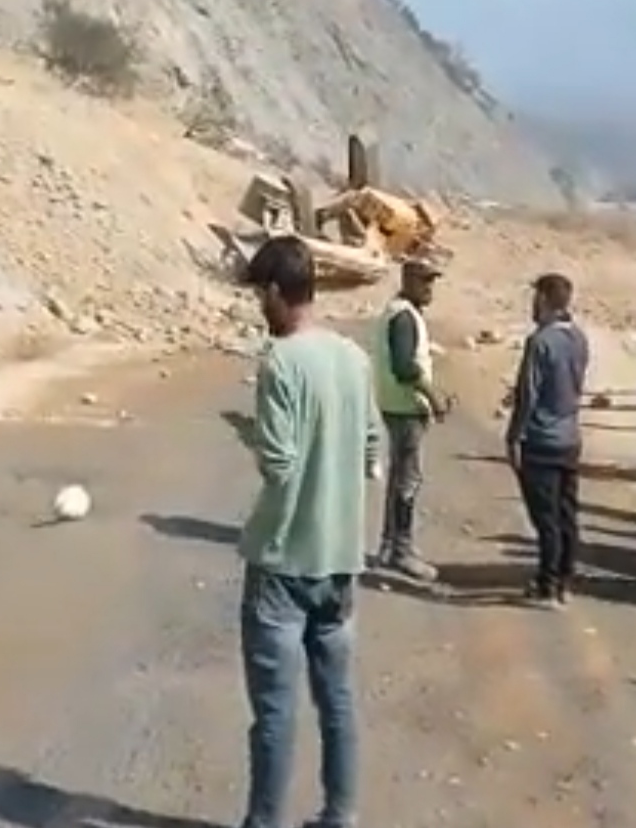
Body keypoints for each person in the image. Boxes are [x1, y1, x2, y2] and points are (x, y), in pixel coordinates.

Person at [237, 234, 379, 828]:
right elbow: (372, 449)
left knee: (275, 712)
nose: (259, 308)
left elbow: (279, 465)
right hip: (341, 560)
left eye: (260, 296)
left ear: (276, 291)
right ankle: (339, 815)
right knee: (337, 701)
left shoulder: (280, 362)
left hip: (282, 562)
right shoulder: (354, 358)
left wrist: (250, 434)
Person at [505, 273, 589, 608]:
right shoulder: (579, 338)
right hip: (570, 437)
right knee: (567, 513)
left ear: (543, 299)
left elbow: (528, 394)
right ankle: (565, 579)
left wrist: (514, 436)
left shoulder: (539, 341)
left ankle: (548, 584)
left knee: (545, 517)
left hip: (541, 439)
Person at [372, 257, 450, 582]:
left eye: (432, 281)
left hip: (397, 406)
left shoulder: (400, 312)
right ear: (407, 280)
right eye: (424, 281)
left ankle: (390, 545)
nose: (430, 288)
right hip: (405, 408)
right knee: (407, 481)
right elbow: (404, 367)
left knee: (399, 479)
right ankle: (400, 551)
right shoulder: (403, 317)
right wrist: (433, 396)